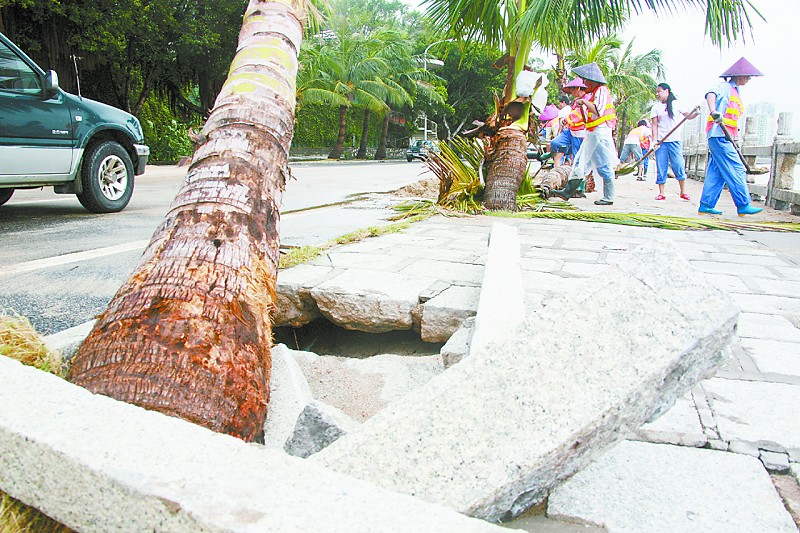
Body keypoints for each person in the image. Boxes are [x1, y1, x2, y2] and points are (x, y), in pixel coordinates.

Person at [699, 57, 764, 216]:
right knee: (736, 168)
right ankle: (743, 204)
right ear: (738, 75)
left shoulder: (736, 92)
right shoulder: (725, 87)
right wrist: (714, 111)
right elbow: (710, 93)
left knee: (717, 171)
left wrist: (734, 139)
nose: (749, 79)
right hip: (718, 135)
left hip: (724, 137)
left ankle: (706, 205)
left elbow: (732, 119)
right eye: (747, 76)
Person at [553, 63, 618, 205]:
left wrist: (584, 102)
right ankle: (568, 192)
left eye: (586, 81)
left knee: (603, 165)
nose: (585, 84)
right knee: (580, 162)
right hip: (593, 133)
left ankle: (608, 197)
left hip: (599, 134)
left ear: (593, 80)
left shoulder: (601, 90)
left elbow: (598, 110)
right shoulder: (595, 93)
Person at [649, 83, 697, 201]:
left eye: (659, 91)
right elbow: (654, 125)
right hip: (661, 142)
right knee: (661, 166)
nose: (658, 94)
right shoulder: (656, 107)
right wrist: (654, 141)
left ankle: (683, 192)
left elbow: (689, 116)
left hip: (674, 141)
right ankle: (661, 192)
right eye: (657, 92)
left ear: (667, 91)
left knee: (678, 165)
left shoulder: (677, 104)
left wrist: (696, 112)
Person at [550, 78, 587, 167]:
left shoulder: (586, 100)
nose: (571, 93)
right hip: (570, 130)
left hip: (579, 133)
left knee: (577, 157)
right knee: (555, 143)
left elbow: (578, 116)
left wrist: (566, 120)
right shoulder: (575, 102)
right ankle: (561, 159)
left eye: (572, 90)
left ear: (577, 89)